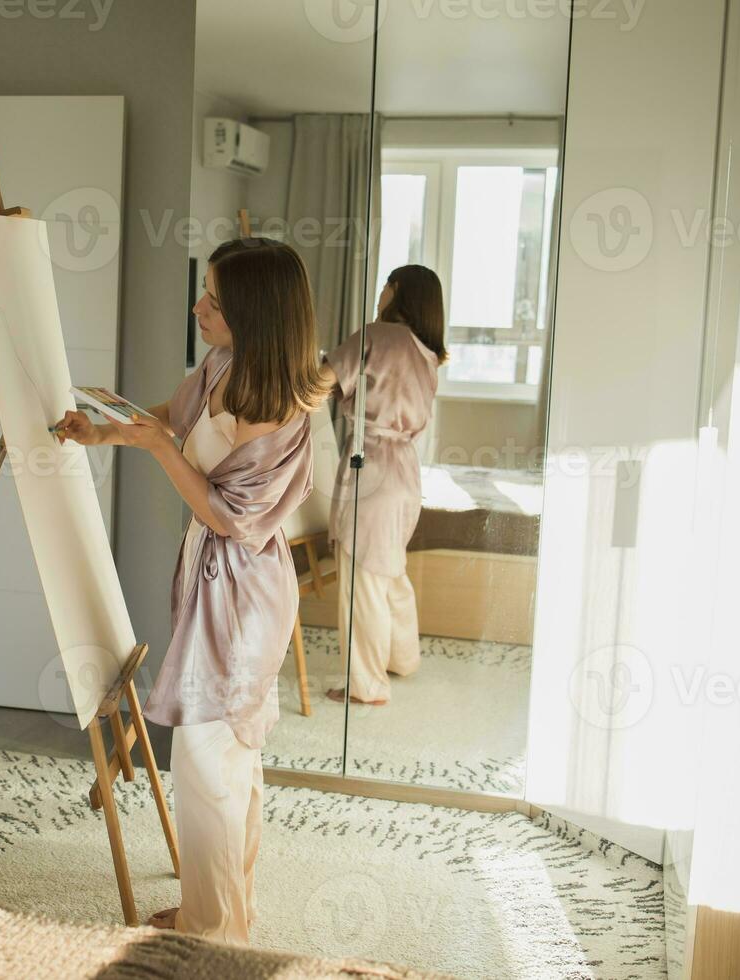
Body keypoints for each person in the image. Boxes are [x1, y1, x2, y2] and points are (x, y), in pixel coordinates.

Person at [53, 238, 329, 945]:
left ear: (254, 315)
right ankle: (225, 908)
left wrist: (152, 448)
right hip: (216, 583)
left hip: (244, 594)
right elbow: (170, 419)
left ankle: (210, 932)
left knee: (211, 757)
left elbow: (229, 517)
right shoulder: (222, 365)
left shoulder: (280, 411)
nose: (197, 306)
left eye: (213, 298)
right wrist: (102, 433)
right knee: (226, 756)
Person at [323, 264, 446, 705]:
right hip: (405, 472)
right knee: (389, 569)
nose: (378, 294)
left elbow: (321, 383)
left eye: (384, 286)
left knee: (362, 580)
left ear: (397, 292)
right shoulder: (427, 352)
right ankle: (403, 656)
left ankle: (367, 685)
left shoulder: (375, 335)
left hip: (371, 467)